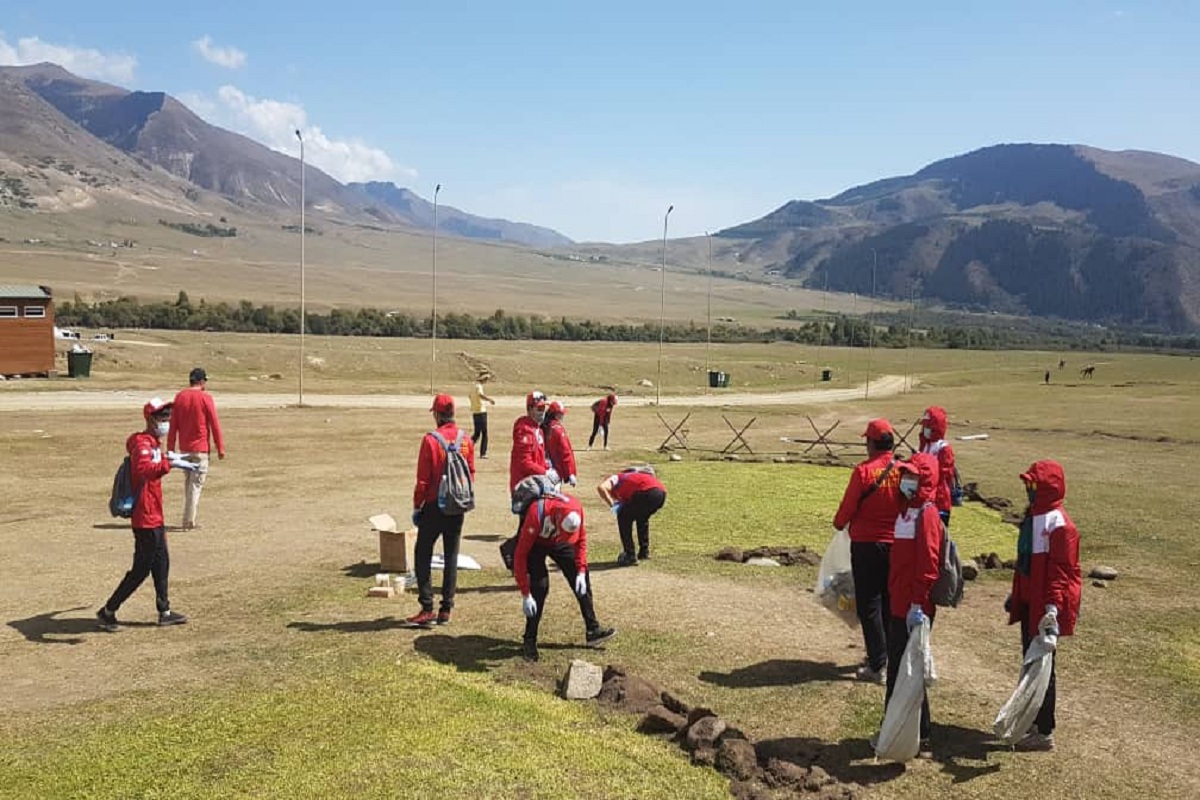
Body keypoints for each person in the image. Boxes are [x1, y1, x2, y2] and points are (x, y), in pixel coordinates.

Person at [97, 398, 196, 630]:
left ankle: (165, 611)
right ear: (150, 420)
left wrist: (174, 460)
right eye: (162, 418)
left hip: (155, 514)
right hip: (145, 516)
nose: (166, 422)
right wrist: (168, 465)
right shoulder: (143, 444)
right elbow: (144, 470)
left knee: (162, 562)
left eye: (167, 417)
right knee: (141, 569)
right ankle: (108, 610)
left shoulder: (153, 443)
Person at [1006, 460, 1081, 752]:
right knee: (1030, 661)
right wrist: (1017, 595)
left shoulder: (1059, 525)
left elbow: (1059, 572)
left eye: (1033, 485)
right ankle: (1032, 719)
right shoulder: (1034, 518)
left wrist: (1052, 609)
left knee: (1043, 666)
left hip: (1046, 607)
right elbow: (1026, 566)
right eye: (1027, 485)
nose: (1028, 489)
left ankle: (1044, 730)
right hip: (1030, 601)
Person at [880, 453, 943, 760]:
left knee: (906, 670)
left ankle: (906, 732)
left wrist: (918, 602)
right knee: (901, 668)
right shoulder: (905, 511)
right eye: (906, 475)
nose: (906, 481)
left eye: (913, 477)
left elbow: (928, 563)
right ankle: (908, 730)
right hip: (898, 602)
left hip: (912, 606)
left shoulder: (926, 514)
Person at [833, 419, 904, 684]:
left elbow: (848, 506)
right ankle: (885, 655)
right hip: (895, 543)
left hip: (866, 544)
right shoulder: (902, 470)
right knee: (888, 601)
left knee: (869, 604)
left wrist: (839, 523)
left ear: (872, 443)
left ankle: (878, 663)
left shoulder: (863, 473)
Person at [514, 492, 616, 661]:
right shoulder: (535, 515)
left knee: (579, 578)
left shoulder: (576, 508)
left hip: (556, 541)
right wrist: (526, 594)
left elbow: (581, 540)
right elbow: (520, 556)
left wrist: (582, 572)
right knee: (540, 587)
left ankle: (593, 630)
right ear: (557, 519)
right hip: (536, 542)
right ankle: (529, 639)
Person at [406, 393, 476, 628]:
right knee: (451, 555)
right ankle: (446, 608)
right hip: (458, 505)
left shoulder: (430, 440)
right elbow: (471, 472)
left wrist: (418, 506)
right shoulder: (466, 438)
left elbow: (423, 481)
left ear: (436, 414)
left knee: (422, 553)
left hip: (435, 505)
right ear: (453, 413)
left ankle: (427, 606)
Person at [167, 367, 226, 531]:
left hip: (184, 449)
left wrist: (170, 449)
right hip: (200, 450)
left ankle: (189, 518)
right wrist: (220, 447)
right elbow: (214, 424)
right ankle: (188, 521)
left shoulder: (180, 397)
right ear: (201, 381)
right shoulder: (205, 398)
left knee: (189, 484)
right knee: (195, 486)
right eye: (205, 381)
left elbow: (173, 426)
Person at [500, 390, 554, 571]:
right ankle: (515, 555)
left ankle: (523, 560)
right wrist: (545, 472)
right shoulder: (524, 428)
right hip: (526, 487)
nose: (542, 412)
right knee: (529, 528)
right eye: (538, 408)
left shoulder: (537, 428)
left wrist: (547, 467)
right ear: (529, 409)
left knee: (532, 526)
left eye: (544, 408)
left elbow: (537, 456)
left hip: (536, 483)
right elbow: (524, 462)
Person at [597, 466, 667, 566]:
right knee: (642, 517)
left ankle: (630, 554)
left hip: (646, 491)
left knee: (623, 517)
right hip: (661, 494)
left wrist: (612, 505)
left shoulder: (617, 478)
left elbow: (601, 488)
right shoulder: (633, 479)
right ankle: (644, 551)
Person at [917, 406, 957, 527]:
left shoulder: (944, 449)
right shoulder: (925, 445)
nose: (925, 429)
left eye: (928, 426)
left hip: (939, 500)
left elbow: (942, 474)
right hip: (925, 498)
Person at [543, 401, 578, 488]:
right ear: (556, 414)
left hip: (544, 468)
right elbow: (565, 451)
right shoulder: (558, 429)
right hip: (555, 471)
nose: (563, 415)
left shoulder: (544, 426)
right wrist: (570, 473)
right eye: (561, 413)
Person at [469, 375, 496, 459]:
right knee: (484, 433)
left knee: (477, 433)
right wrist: (489, 399)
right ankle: (483, 453)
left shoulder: (473, 386)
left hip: (475, 412)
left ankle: (466, 448)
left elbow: (470, 396)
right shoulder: (478, 386)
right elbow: (480, 395)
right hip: (481, 412)